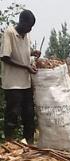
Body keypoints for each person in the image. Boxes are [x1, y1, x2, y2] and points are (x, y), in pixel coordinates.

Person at [0, 10, 41, 144]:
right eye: (28, 26)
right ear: (21, 22)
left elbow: (24, 52)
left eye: (31, 27)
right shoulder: (9, 33)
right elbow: (5, 57)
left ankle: (29, 144)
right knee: (12, 114)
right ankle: (9, 144)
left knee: (29, 114)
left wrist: (33, 52)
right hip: (13, 84)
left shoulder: (26, 35)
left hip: (25, 83)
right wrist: (26, 67)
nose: (29, 30)